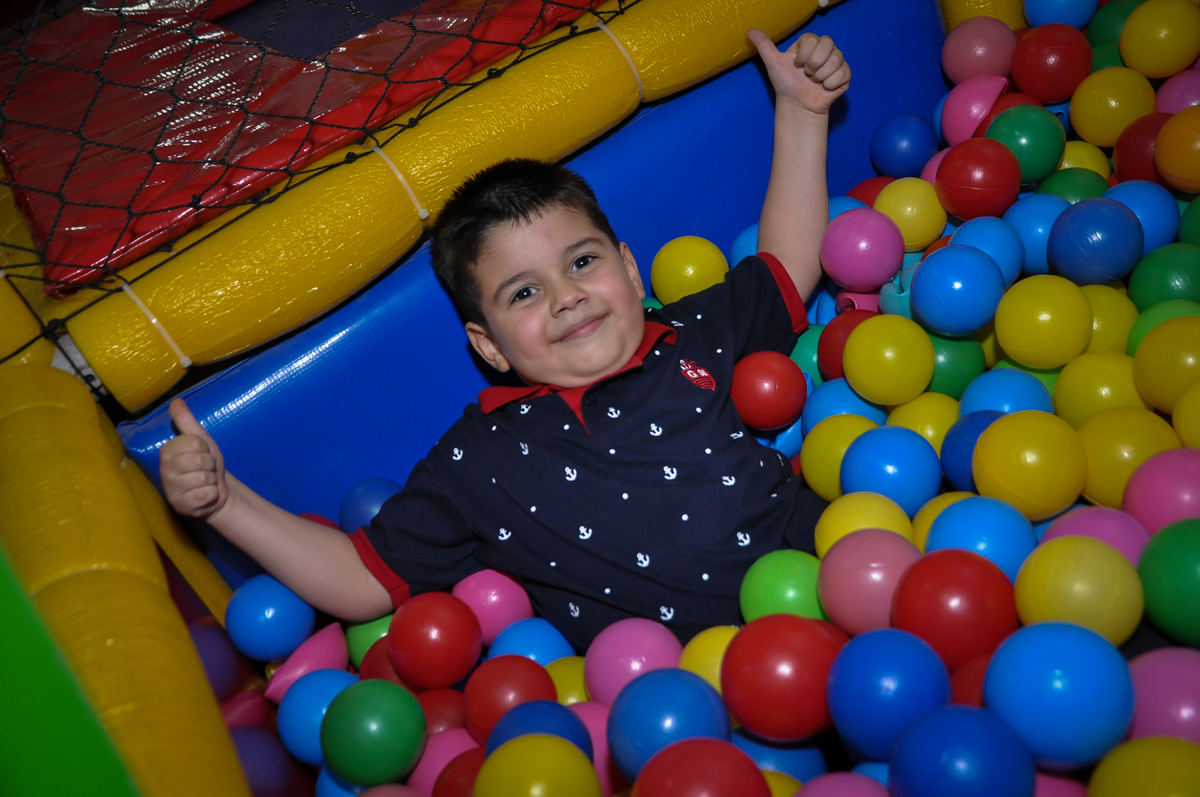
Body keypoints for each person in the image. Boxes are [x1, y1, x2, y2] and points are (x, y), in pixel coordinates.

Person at [161, 30, 851, 649]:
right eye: (523, 293)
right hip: (690, 693)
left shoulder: (688, 335)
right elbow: (361, 579)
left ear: (629, 269)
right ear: (487, 345)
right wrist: (227, 503)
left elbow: (787, 266)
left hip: (844, 585)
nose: (565, 297)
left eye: (582, 261)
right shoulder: (483, 459)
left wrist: (802, 113)